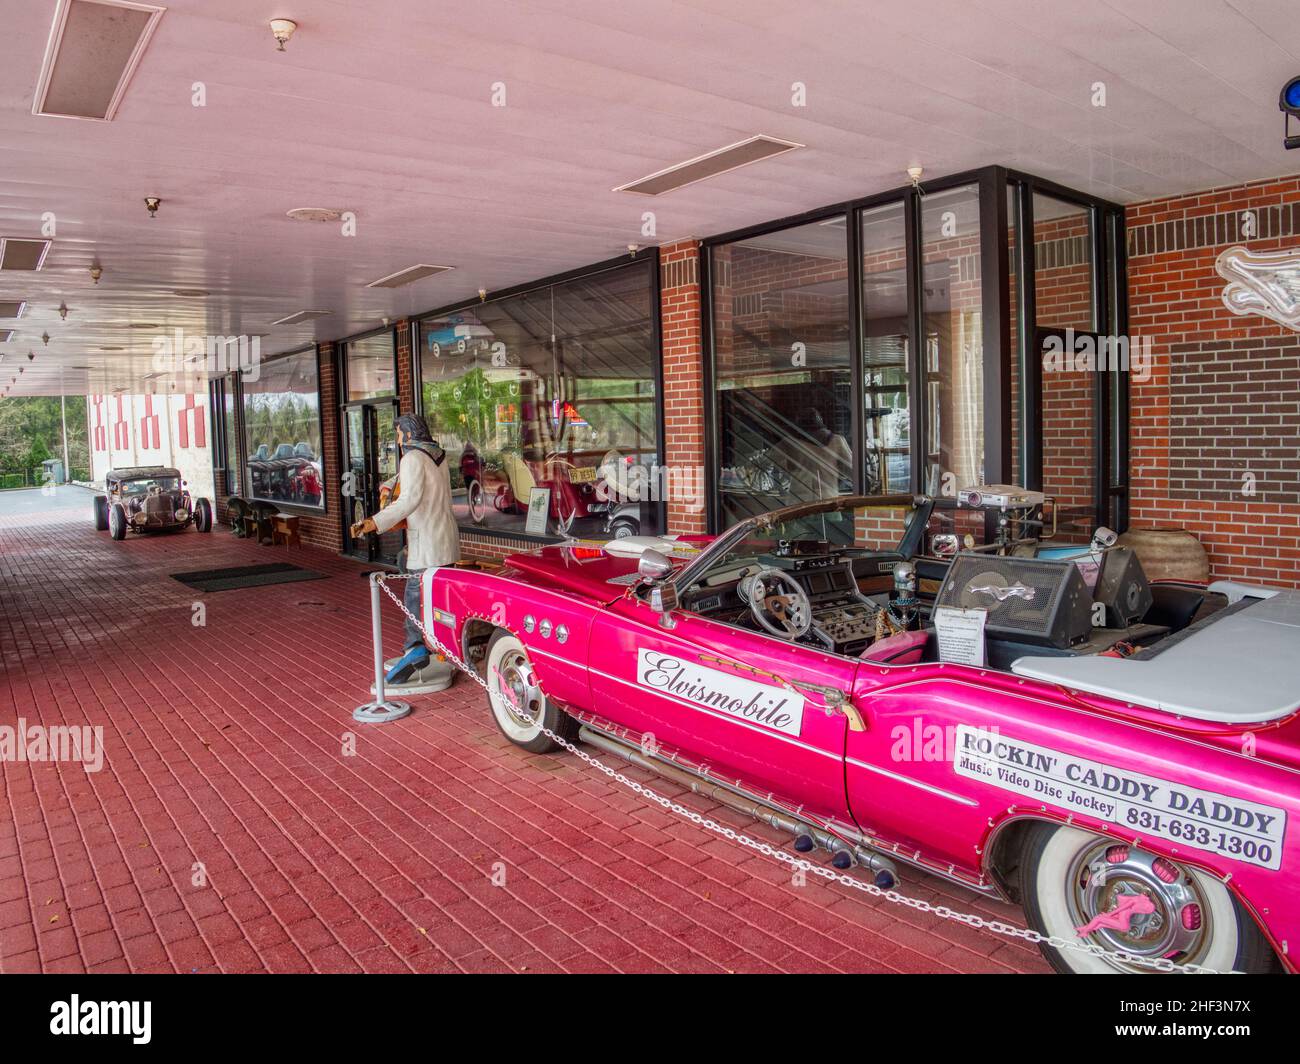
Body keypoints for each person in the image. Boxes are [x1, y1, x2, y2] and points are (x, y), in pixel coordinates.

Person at [350, 413, 459, 683]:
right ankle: (443, 647)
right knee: (440, 599)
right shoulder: (438, 456)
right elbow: (410, 482)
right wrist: (389, 484)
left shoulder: (411, 458)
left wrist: (373, 522)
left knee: (414, 596)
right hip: (446, 540)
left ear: (408, 435)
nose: (398, 440)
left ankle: (414, 648)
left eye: (398, 434)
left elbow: (409, 499)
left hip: (425, 543)